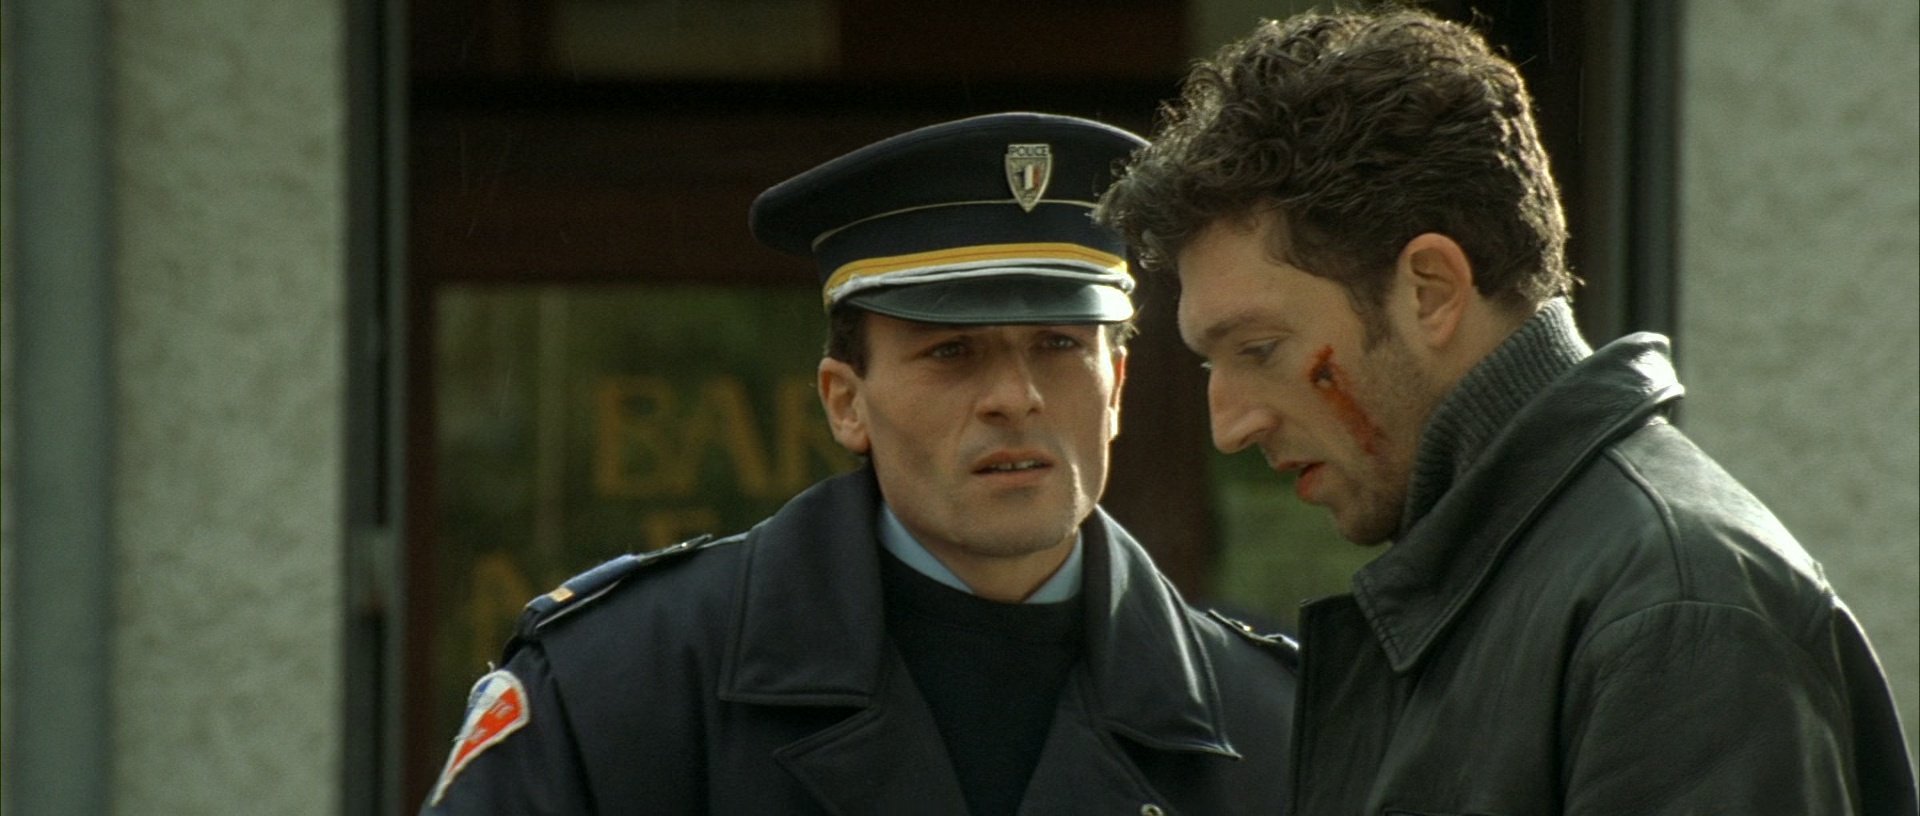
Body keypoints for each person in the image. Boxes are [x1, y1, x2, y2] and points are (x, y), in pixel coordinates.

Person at [1096, 8, 1917, 815]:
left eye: (1260, 349)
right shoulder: (1534, 584)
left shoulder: (1676, 608)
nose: (1230, 426)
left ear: (1431, 290)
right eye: (1210, 363)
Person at [422, 111, 1296, 815]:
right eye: (952, 352)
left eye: (1059, 344)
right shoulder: (624, 684)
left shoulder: (1272, 724)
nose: (1016, 397)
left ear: (1117, 389)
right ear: (846, 402)